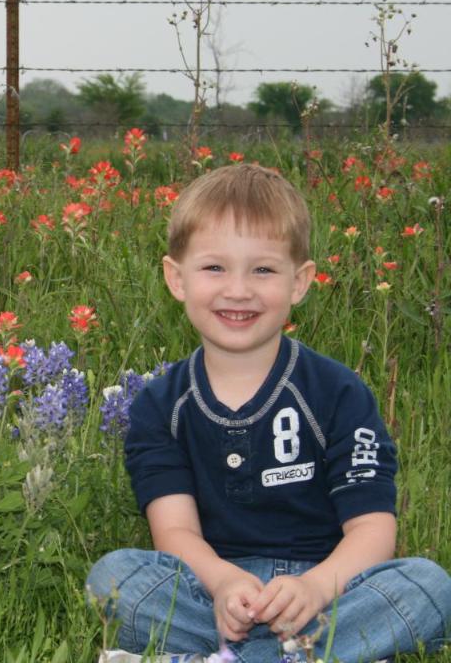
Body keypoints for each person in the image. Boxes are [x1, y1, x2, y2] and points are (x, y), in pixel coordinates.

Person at [86, 164, 451, 662]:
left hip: (327, 588)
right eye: (214, 268)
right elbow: (175, 533)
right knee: (113, 578)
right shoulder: (159, 404)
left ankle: (224, 657)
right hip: (212, 586)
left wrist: (317, 587)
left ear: (300, 282)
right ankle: (302, 655)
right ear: (176, 278)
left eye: (263, 269)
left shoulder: (338, 391)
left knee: (429, 585)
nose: (239, 290)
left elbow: (372, 530)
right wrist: (222, 583)